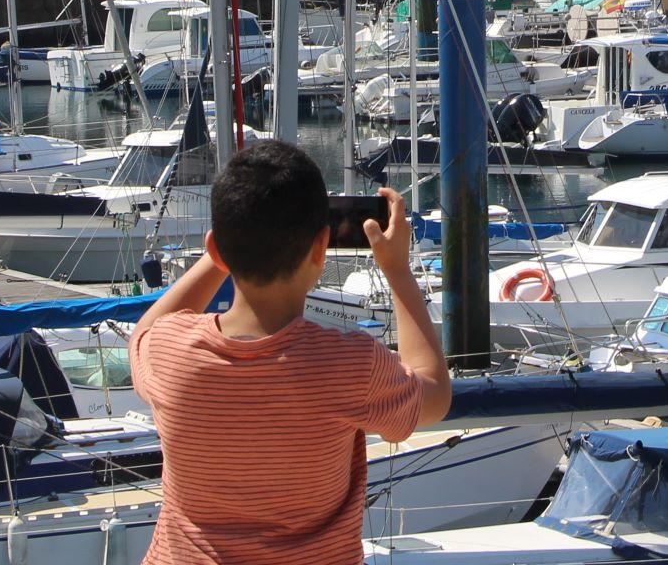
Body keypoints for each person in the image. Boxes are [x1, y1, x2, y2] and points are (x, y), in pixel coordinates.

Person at [129, 140, 452, 565]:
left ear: (216, 249)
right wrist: (396, 269)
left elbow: (144, 331)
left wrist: (225, 251)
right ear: (321, 247)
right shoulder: (348, 366)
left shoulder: (169, 351)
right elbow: (434, 395)